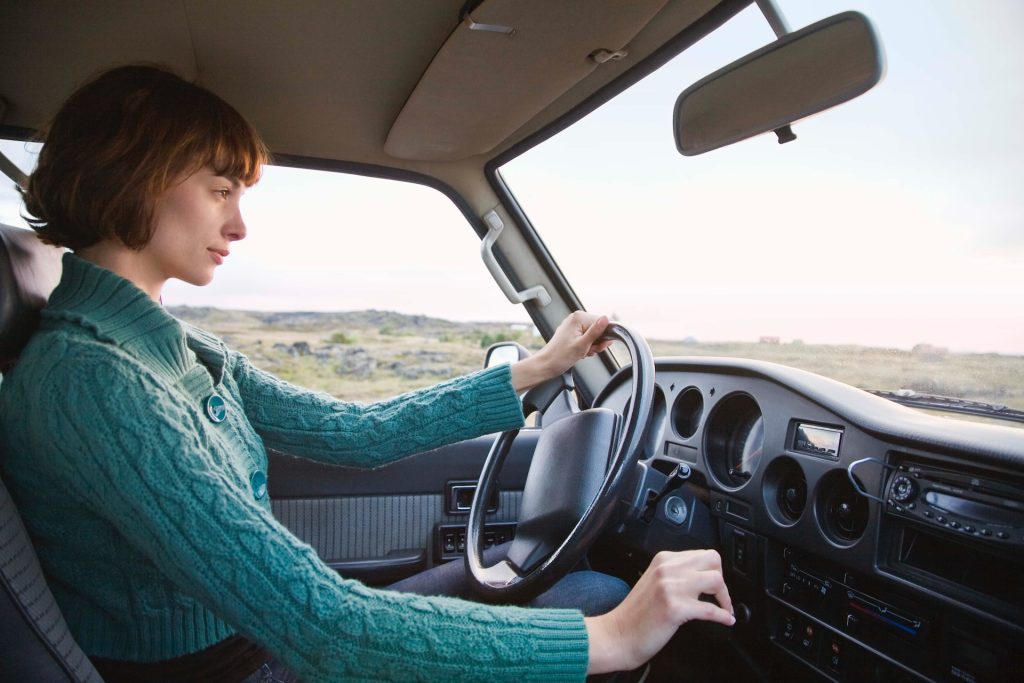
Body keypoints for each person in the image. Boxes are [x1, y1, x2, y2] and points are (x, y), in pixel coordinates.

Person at [0, 65, 734, 682]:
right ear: (135, 176)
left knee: (563, 586)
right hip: (238, 666)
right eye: (222, 190)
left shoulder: (173, 349)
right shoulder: (94, 381)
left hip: (265, 637)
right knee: (599, 598)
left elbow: (353, 433)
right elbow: (323, 624)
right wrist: (609, 640)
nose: (240, 225)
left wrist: (536, 369)